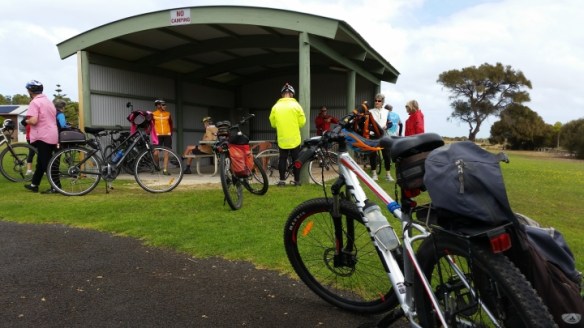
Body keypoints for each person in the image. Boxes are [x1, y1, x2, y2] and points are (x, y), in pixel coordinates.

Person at [21, 80, 59, 193]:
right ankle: (34, 185)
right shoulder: (48, 101)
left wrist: (25, 121)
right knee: (41, 162)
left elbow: (33, 120)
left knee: (46, 163)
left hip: (42, 136)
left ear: (30, 91)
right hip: (52, 134)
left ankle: (56, 187)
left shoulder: (34, 102)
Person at [269, 82, 306, 186]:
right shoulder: (297, 106)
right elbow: (302, 122)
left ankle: (282, 181)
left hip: (282, 138)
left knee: (282, 159)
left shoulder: (276, 107)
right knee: (296, 159)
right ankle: (297, 181)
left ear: (282, 94)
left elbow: (273, 124)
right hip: (294, 138)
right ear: (292, 94)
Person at [368, 93, 393, 181]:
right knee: (373, 155)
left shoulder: (387, 112)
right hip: (373, 136)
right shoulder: (370, 112)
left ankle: (388, 174)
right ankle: (374, 174)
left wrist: (386, 126)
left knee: (387, 154)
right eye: (375, 100)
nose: (377, 102)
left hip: (383, 136)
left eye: (379, 101)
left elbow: (390, 123)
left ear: (382, 102)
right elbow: (367, 124)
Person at [152, 99, 173, 175]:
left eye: (165, 104)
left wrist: (171, 134)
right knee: (155, 153)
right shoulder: (153, 114)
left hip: (167, 135)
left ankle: (165, 170)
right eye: (163, 105)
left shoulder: (168, 114)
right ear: (158, 106)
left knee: (166, 153)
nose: (165, 106)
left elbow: (171, 124)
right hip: (158, 136)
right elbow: (151, 125)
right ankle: (156, 166)